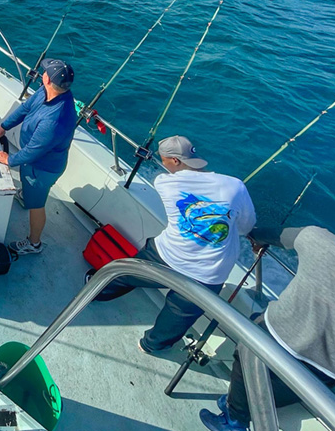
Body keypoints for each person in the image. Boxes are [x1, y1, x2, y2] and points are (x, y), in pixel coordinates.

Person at [200, 210, 335, 431]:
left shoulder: (318, 239)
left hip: (275, 341)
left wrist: (256, 237)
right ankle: (240, 402)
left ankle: (235, 419)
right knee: (280, 385)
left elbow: (273, 235)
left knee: (246, 348)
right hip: (326, 375)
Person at [93, 135, 257, 354]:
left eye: (164, 160)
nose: (164, 165)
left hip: (168, 256)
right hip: (210, 272)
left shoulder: (164, 183)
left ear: (175, 161)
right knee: (180, 314)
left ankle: (98, 291)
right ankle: (151, 345)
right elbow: (246, 226)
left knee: (126, 272)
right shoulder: (236, 186)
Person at [0, 59, 78, 255]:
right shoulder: (46, 92)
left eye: (45, 72)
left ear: (47, 79)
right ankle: (26, 195)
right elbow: (25, 108)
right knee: (30, 191)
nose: (42, 73)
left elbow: (33, 151)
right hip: (33, 163)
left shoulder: (55, 120)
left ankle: (34, 243)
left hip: (42, 169)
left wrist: (8, 160)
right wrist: (3, 127)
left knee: (36, 205)